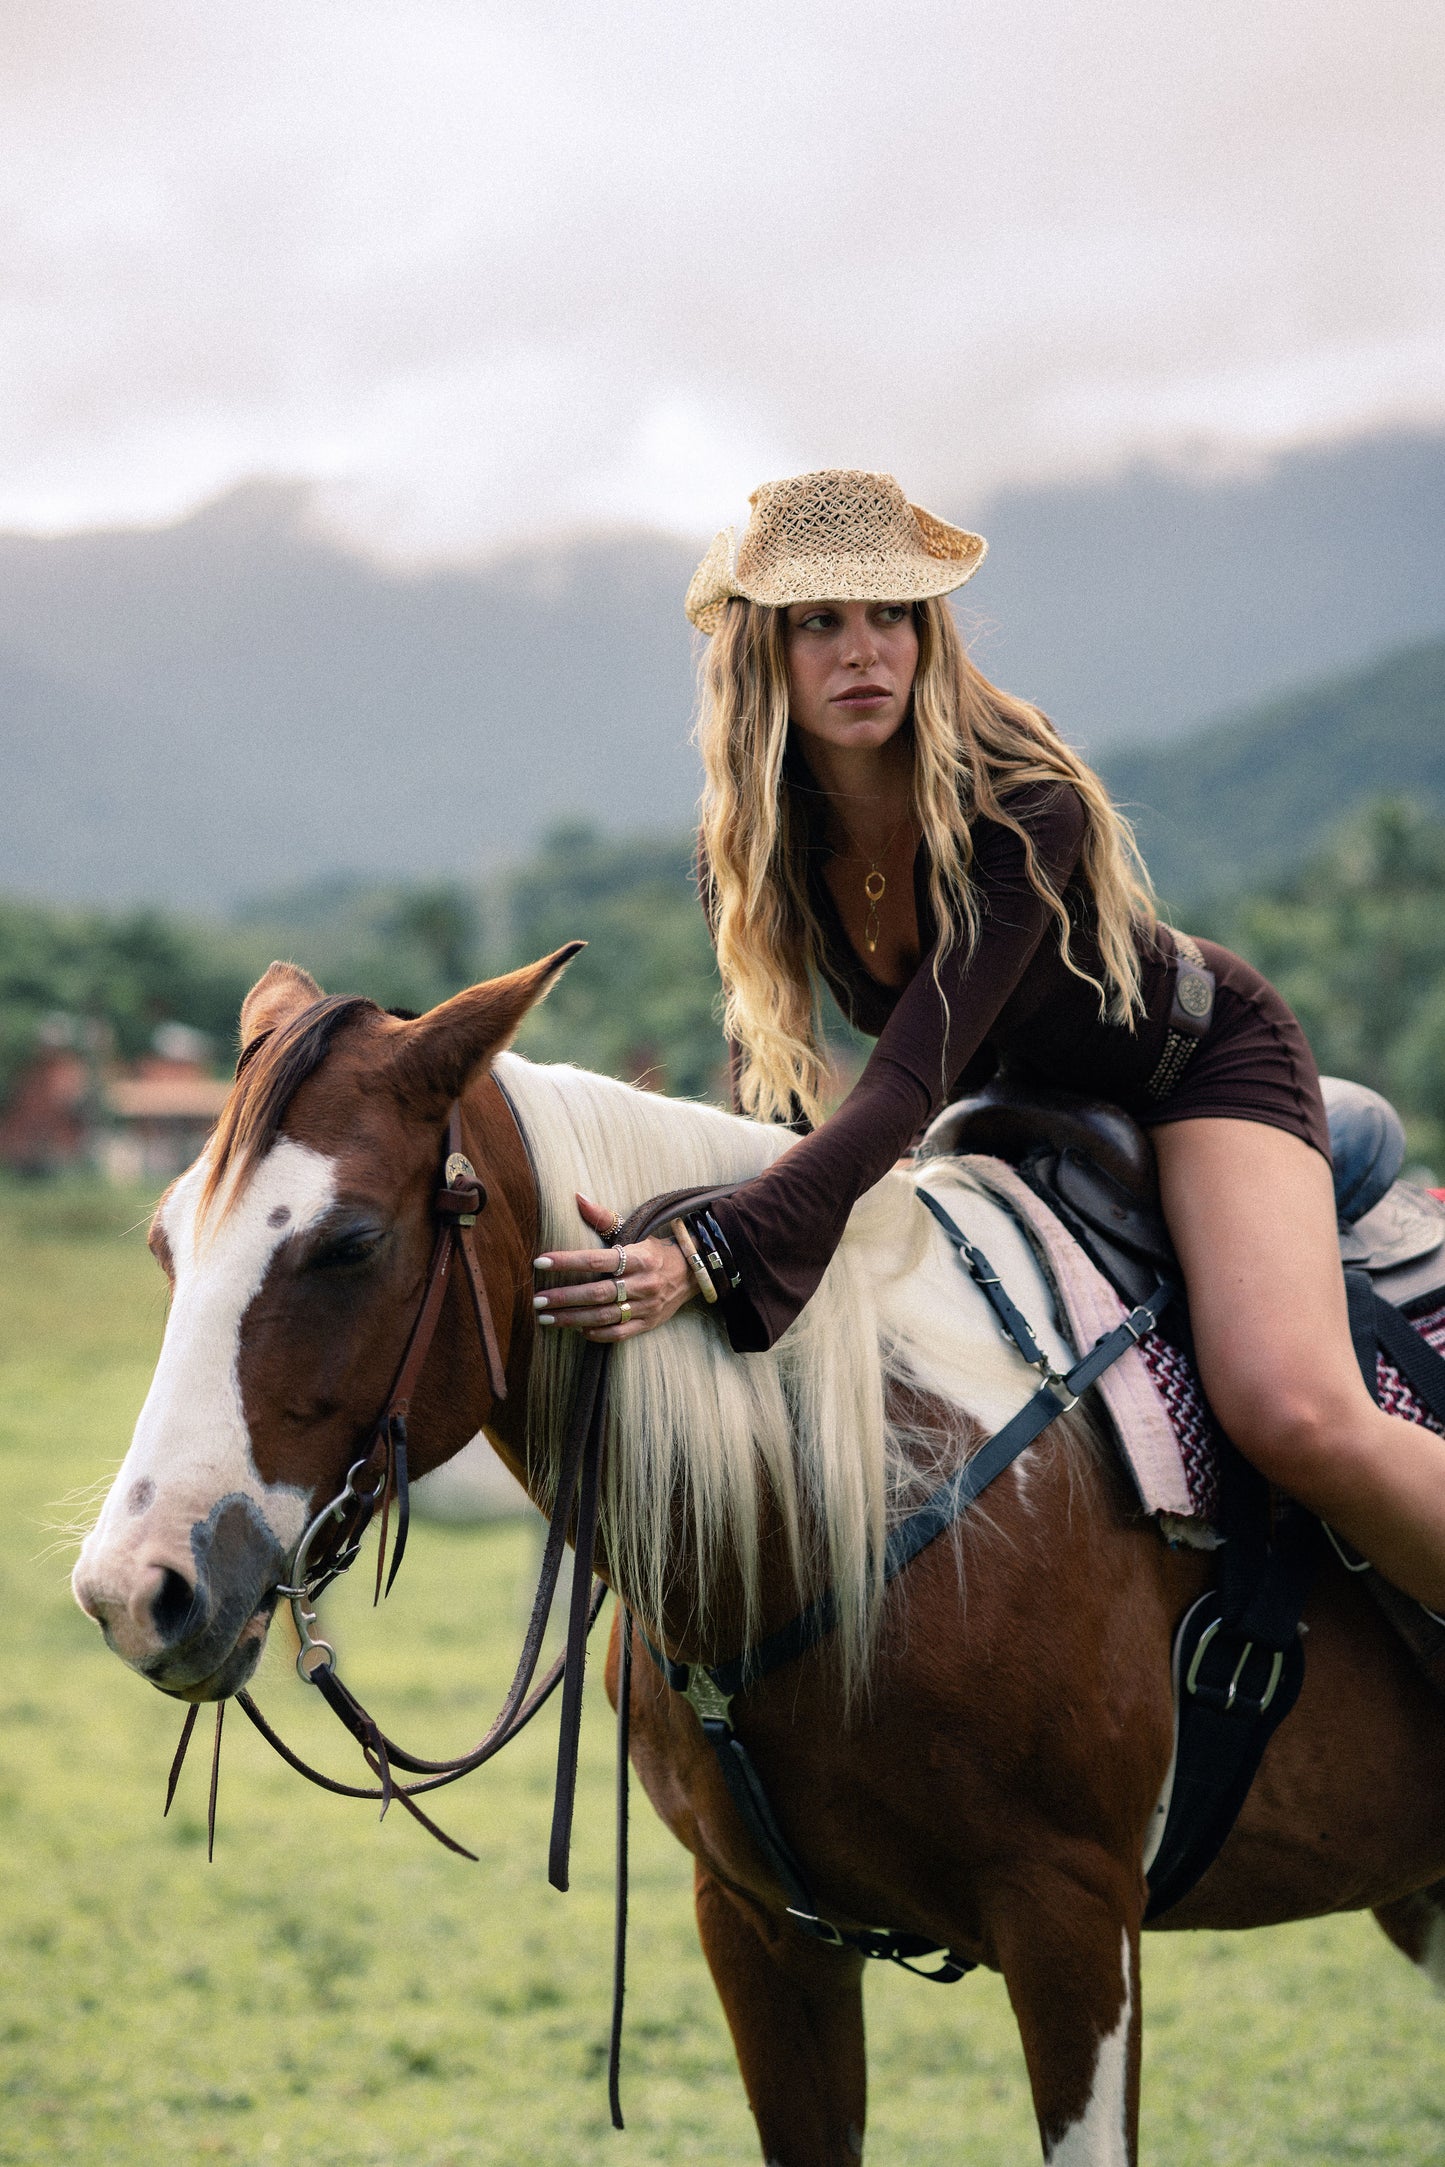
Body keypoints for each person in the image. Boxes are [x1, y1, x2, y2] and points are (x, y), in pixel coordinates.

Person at [534, 467, 1445, 1610]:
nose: (860, 651)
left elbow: (899, 1081)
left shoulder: (1019, 802)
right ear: (760, 653)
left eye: (890, 615)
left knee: (1289, 1411)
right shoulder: (760, 845)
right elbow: (774, 1102)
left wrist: (711, 1256)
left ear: (926, 634)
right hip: (1002, 1104)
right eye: (818, 621)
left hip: (1193, 1067)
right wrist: (679, 1215)